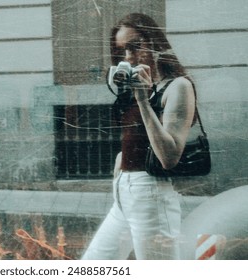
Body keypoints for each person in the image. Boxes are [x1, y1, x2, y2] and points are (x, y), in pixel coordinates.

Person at [82, 13, 196, 260]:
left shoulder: (178, 86)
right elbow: (135, 136)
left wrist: (143, 100)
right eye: (122, 51)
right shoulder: (139, 85)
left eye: (135, 47)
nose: (129, 57)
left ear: (154, 43)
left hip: (151, 194)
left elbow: (169, 157)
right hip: (124, 192)